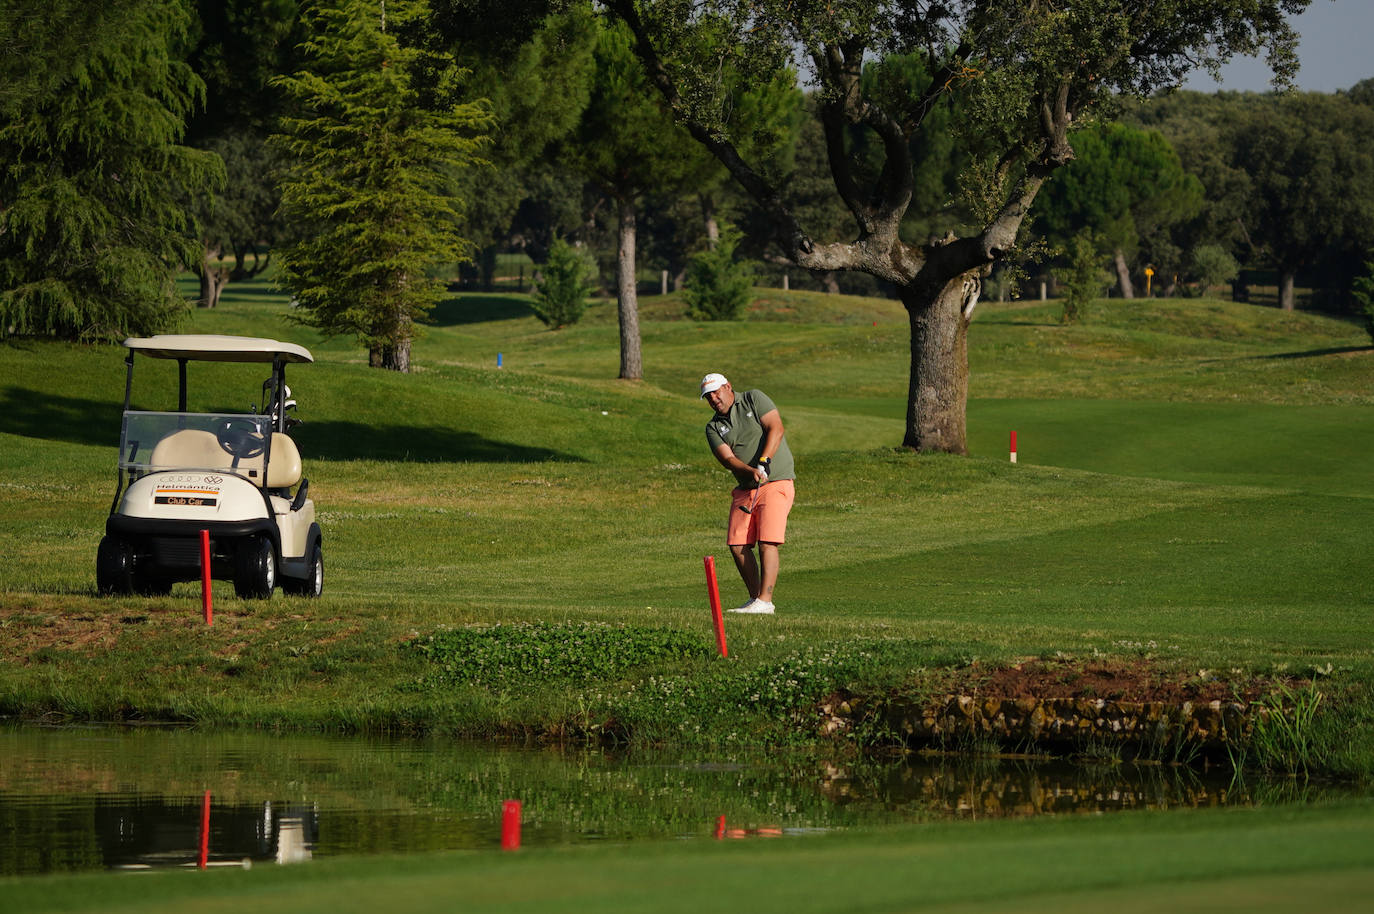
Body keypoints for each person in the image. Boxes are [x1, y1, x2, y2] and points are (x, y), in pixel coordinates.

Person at [699, 372, 795, 615]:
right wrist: (750, 470)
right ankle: (756, 600)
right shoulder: (713, 427)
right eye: (708, 396)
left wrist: (764, 461)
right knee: (737, 544)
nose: (713, 398)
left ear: (728, 387)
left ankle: (766, 600)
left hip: (776, 481)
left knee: (767, 541)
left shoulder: (754, 398)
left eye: (716, 392)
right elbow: (728, 459)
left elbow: (776, 427)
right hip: (746, 488)